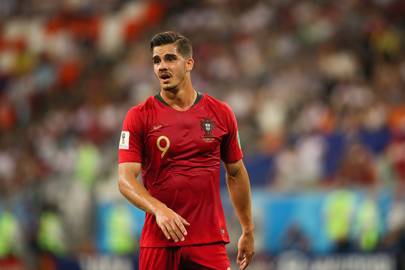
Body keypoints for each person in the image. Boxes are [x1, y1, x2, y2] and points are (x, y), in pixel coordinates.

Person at [117, 31, 254, 270]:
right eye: (156, 61)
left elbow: (236, 172)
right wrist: (159, 209)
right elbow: (125, 179)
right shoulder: (138, 116)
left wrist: (248, 229)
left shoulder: (221, 114)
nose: (162, 67)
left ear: (189, 63)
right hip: (159, 242)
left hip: (209, 242)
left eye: (170, 58)